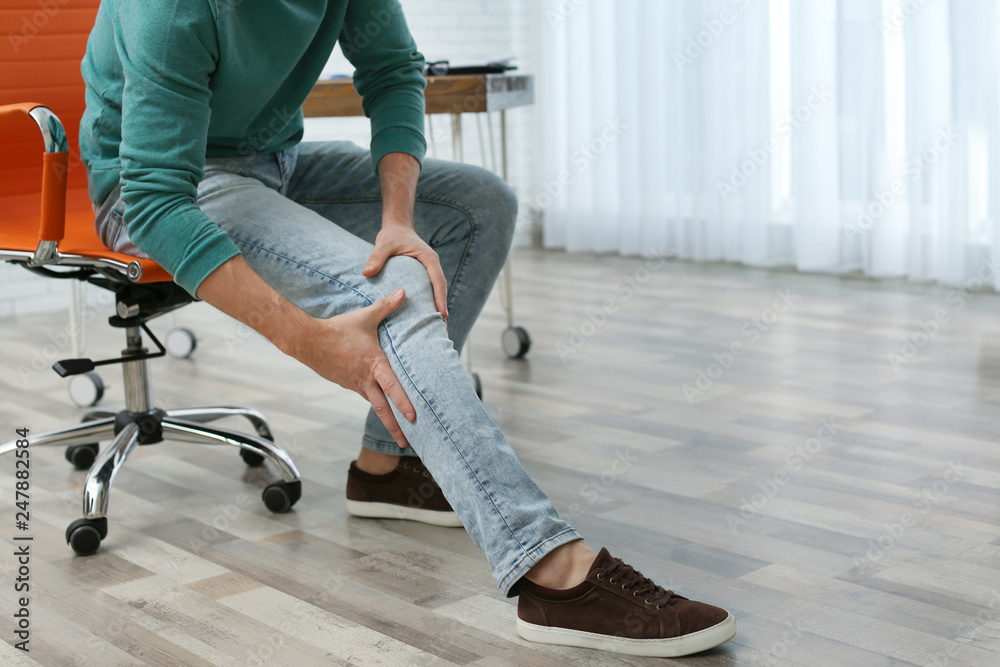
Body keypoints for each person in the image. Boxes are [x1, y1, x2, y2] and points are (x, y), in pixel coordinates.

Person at [80, 0, 736, 657]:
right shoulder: (172, 8)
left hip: (272, 164)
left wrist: (398, 219)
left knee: (479, 205)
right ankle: (550, 571)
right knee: (394, 289)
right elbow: (156, 199)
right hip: (159, 187)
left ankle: (385, 466)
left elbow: (394, 69)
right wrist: (310, 341)